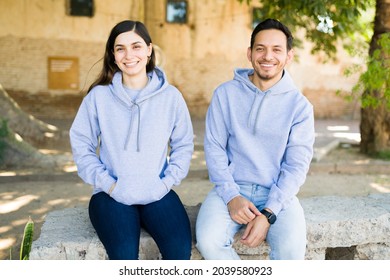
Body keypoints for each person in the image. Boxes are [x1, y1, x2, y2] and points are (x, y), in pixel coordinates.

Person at [69, 20, 194, 260]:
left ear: (149, 50)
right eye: (120, 48)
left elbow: (183, 144)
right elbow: (81, 144)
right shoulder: (99, 96)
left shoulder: (171, 97)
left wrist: (165, 183)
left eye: (136, 46)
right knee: (124, 257)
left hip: (157, 192)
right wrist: (109, 184)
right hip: (111, 196)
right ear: (113, 55)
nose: (129, 55)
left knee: (179, 255)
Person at [195, 18, 315, 260]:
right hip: (230, 189)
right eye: (260, 48)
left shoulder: (299, 106)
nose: (267, 56)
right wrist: (232, 197)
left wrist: (269, 213)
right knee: (208, 241)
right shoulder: (225, 95)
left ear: (289, 56)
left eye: (276, 50)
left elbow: (296, 166)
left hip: (277, 193)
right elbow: (215, 149)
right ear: (250, 53)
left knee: (292, 251)